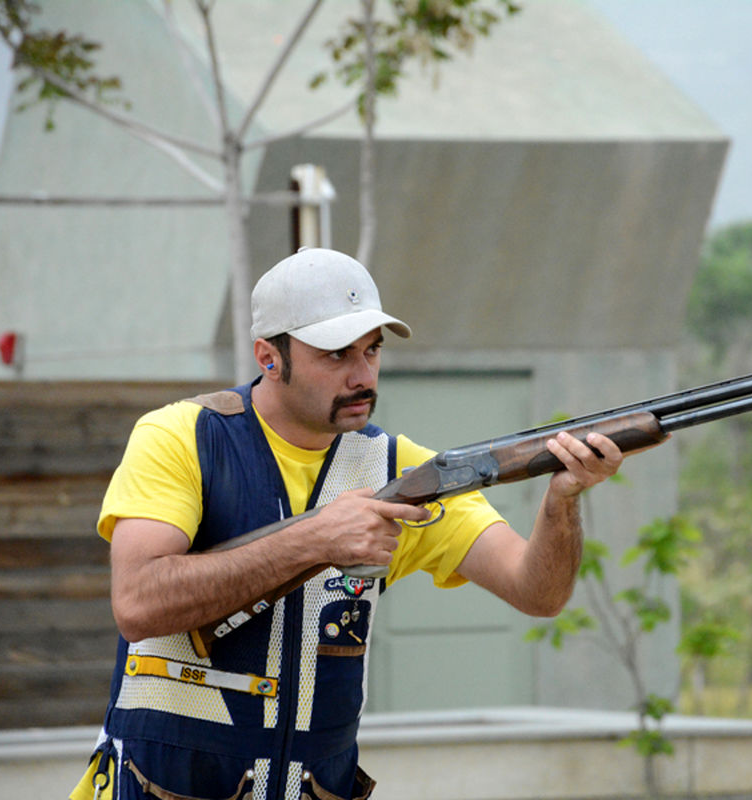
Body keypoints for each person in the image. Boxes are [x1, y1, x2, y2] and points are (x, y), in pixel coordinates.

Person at [71, 248, 638, 800]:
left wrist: (562, 500)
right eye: (336, 354)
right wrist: (315, 538)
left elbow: (537, 592)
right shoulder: (180, 437)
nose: (362, 375)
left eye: (372, 351)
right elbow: (138, 603)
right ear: (269, 357)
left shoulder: (400, 467)